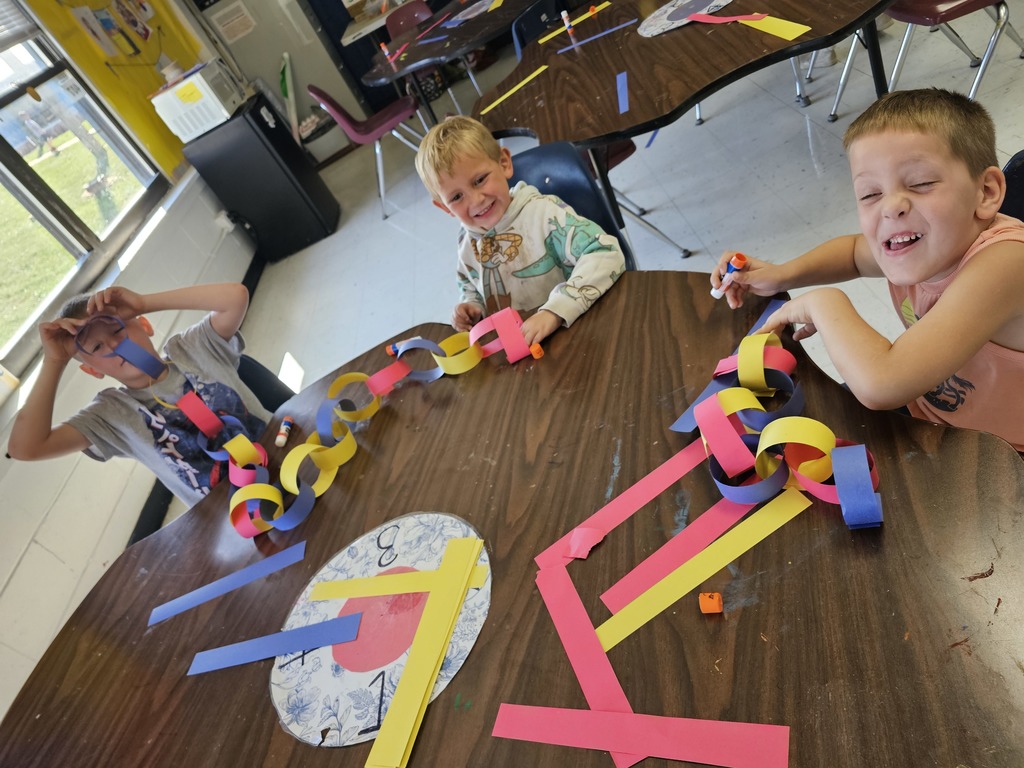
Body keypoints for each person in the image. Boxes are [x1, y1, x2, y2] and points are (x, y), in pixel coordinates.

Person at [712, 88, 1024, 451]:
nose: (891, 207)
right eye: (870, 194)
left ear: (985, 192)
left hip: (1006, 453)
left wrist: (824, 303)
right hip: (933, 416)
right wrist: (781, 274)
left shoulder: (1005, 263)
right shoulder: (929, 244)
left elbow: (884, 383)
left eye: (921, 183)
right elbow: (853, 253)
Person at [8, 283, 271, 505]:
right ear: (92, 370)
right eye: (97, 346)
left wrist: (143, 303)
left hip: (282, 451)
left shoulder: (192, 349)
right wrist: (55, 361)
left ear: (144, 325)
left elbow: (236, 296)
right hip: (235, 513)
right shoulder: (113, 414)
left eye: (117, 329)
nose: (114, 345)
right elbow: (25, 448)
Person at [414, 116, 626, 346]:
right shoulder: (466, 241)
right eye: (456, 197)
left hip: (579, 336)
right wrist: (472, 306)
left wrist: (554, 312)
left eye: (479, 180)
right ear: (445, 207)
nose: (476, 200)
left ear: (504, 163)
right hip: (523, 353)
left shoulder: (545, 214)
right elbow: (469, 282)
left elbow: (606, 253)